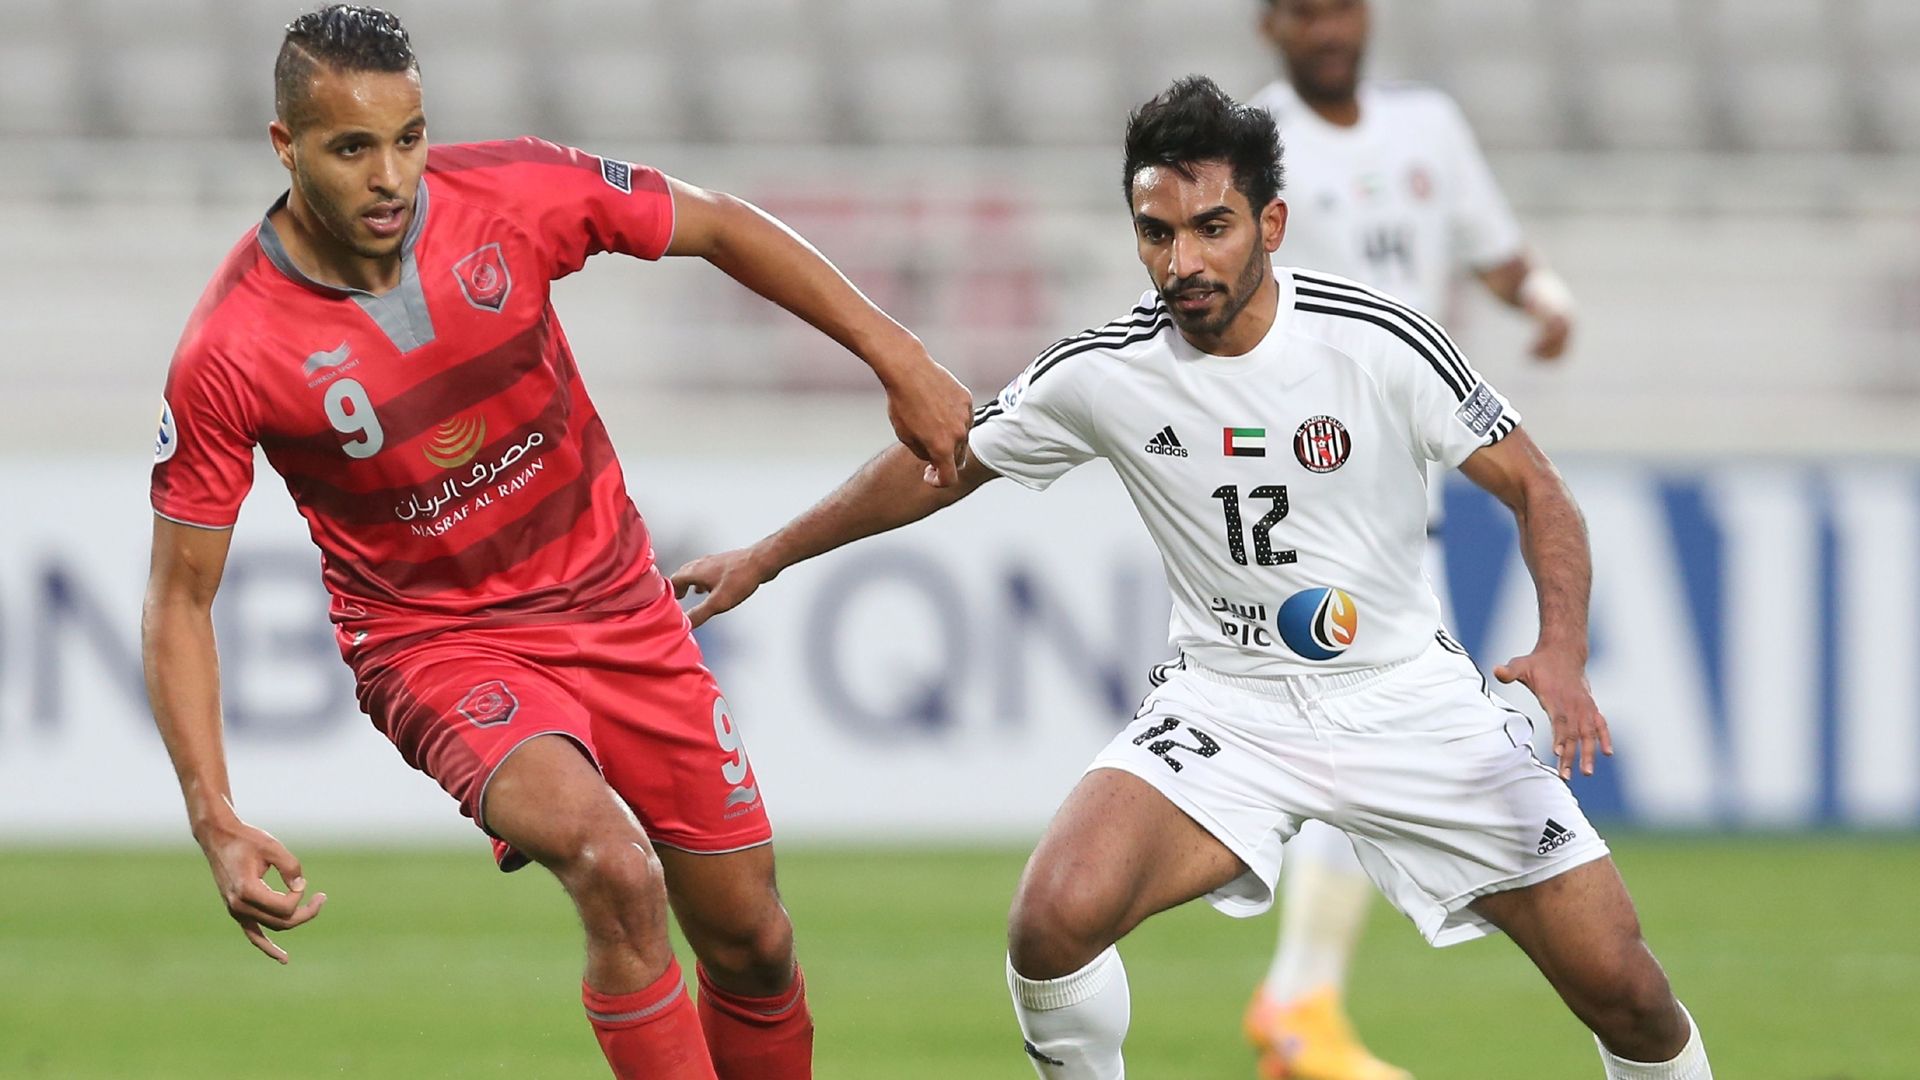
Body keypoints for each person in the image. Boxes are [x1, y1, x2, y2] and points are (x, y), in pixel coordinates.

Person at [672, 77, 1711, 1080]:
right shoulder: (1107, 368)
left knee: (1624, 989)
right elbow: (942, 460)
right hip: (1231, 703)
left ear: (1273, 224)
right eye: (1157, 232)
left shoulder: (1374, 342)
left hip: (1405, 697)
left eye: (1212, 226)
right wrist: (767, 556)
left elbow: (1539, 489)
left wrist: (1564, 648)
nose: (1183, 261)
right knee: (1053, 919)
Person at [141, 7, 972, 1080]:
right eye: (353, 148)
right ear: (285, 145)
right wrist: (214, 816)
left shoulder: (511, 194)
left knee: (755, 943)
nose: (391, 175)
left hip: (619, 604)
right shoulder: (231, 349)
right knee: (614, 870)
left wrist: (894, 354)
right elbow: (178, 600)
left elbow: (715, 222)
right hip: (439, 645)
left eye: (409, 136)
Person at [1243, 2, 1579, 1075]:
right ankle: (1299, 1004)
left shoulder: (1427, 128)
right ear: (1271, 27)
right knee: (1366, 731)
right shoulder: (1254, 142)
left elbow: (1492, 249)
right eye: (1303, 11)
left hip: (1415, 485)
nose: (1327, 27)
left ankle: (1300, 1002)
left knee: (1363, 733)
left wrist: (1541, 295)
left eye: (1340, 5)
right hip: (1317, 484)